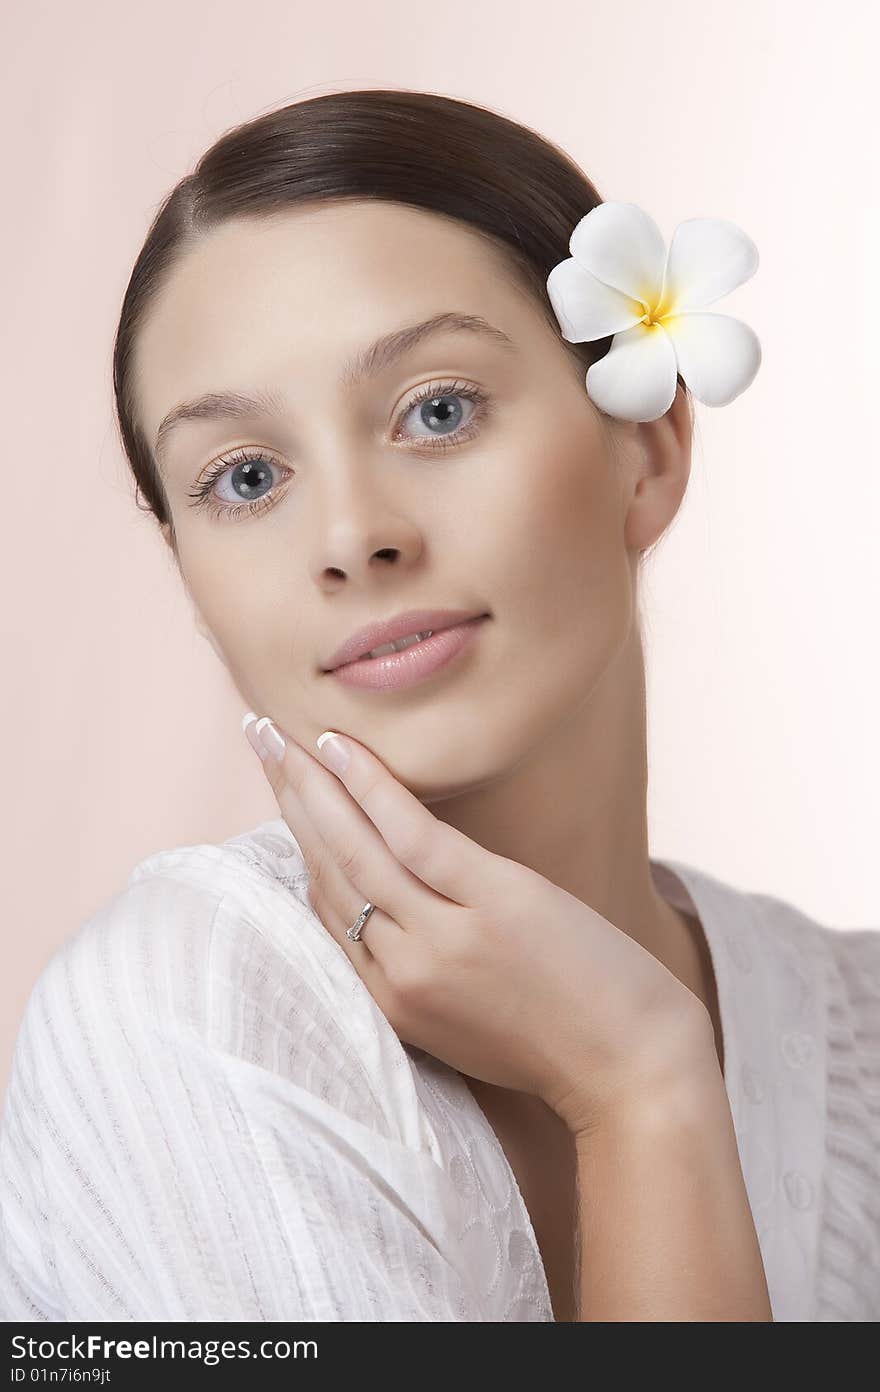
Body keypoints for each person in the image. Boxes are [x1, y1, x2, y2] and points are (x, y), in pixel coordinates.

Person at [1, 88, 877, 1322]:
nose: (354, 536)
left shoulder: (859, 1025)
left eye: (438, 410)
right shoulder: (185, 1013)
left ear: (650, 448)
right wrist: (636, 1087)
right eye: (245, 478)